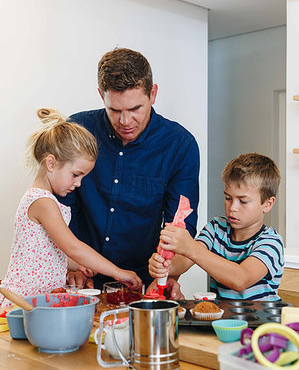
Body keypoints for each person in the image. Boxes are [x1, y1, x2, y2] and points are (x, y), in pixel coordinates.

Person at [58, 48, 200, 298]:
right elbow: (60, 206)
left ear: (152, 93)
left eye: (135, 108)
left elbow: (180, 225)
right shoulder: (77, 130)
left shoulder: (179, 145)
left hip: (142, 282)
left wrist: (168, 275)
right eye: (115, 110)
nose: (125, 121)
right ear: (101, 95)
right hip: (81, 279)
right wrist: (71, 262)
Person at [0, 108, 141, 308]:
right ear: (51, 163)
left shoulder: (48, 201)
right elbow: (73, 247)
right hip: (22, 302)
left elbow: (46, 252)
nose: (79, 183)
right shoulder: (42, 202)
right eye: (76, 174)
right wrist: (119, 273)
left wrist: (78, 265)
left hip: (38, 303)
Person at [149, 153, 284, 300]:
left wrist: (190, 247)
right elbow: (185, 261)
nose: (233, 207)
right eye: (228, 198)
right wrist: (165, 265)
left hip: (261, 322)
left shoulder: (271, 242)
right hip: (222, 322)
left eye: (243, 201)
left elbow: (241, 279)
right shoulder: (216, 228)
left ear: (268, 204)